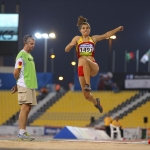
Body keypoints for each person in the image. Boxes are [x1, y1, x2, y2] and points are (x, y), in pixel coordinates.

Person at [65, 16, 123, 113]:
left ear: (90, 30)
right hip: (81, 68)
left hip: (93, 66)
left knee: (84, 58)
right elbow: (66, 50)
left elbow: (106, 34)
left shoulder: (93, 38)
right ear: (80, 30)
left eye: (87, 28)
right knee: (86, 96)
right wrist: (70, 45)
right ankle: (96, 103)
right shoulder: (77, 38)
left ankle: (88, 84)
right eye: (83, 28)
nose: (85, 30)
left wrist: (117, 29)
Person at [11, 35, 37, 141]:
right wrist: (19, 84)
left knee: (28, 108)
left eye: (34, 44)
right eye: (31, 43)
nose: (33, 45)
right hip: (25, 84)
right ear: (25, 44)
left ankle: (23, 132)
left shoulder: (29, 56)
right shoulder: (21, 55)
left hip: (30, 85)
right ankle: (21, 132)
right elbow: (16, 72)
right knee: (24, 108)